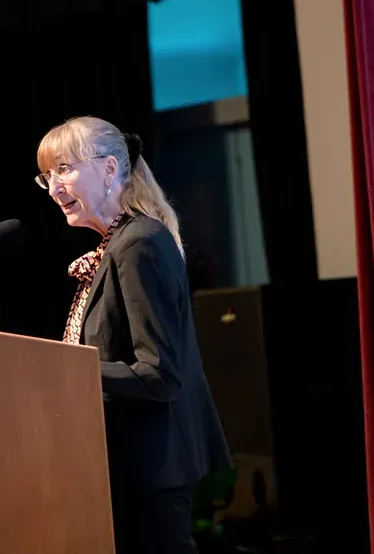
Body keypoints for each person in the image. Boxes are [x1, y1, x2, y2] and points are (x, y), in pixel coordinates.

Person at [35, 116, 232, 554]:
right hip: (121, 468)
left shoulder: (139, 243)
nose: (53, 188)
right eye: (46, 176)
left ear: (108, 170)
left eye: (64, 168)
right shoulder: (114, 247)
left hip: (150, 472)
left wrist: (63, 369)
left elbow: (158, 373)